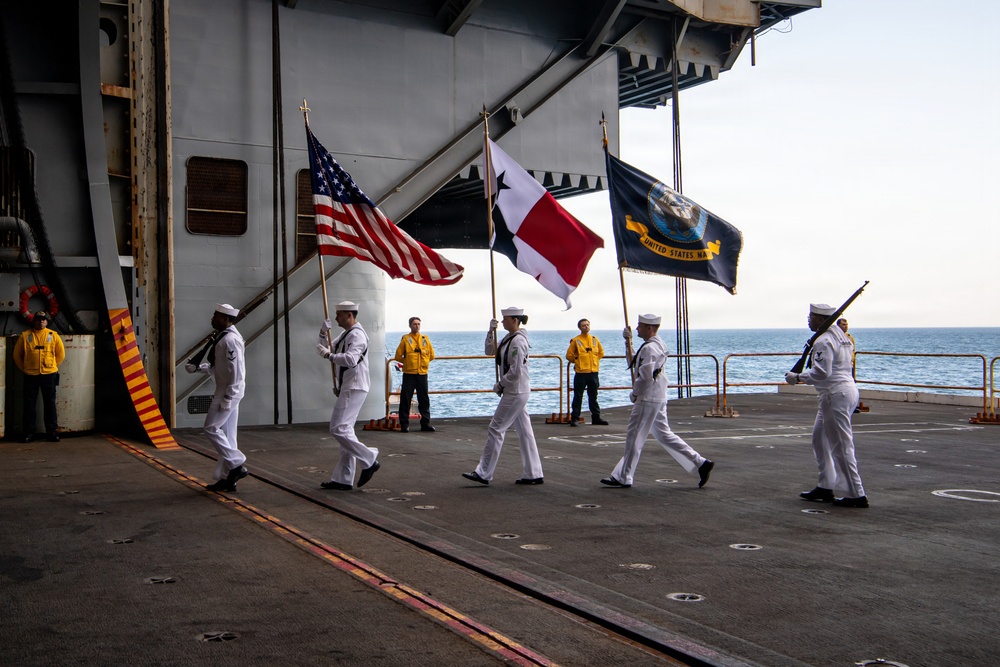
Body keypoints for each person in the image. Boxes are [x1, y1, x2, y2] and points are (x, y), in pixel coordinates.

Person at [602, 313, 714, 489]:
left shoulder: (649, 348)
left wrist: (635, 393)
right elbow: (635, 362)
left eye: (639, 325)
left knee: (634, 437)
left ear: (649, 328)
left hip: (647, 397)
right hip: (658, 396)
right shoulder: (656, 344)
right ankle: (700, 462)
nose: (636, 328)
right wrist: (628, 343)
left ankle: (624, 477)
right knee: (664, 435)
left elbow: (645, 377)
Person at [786, 304, 868, 508]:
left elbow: (822, 372)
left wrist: (797, 377)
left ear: (822, 320)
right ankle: (826, 485)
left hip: (834, 394)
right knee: (819, 440)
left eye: (811, 316)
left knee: (841, 445)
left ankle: (855, 494)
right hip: (841, 392)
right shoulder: (841, 336)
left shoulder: (824, 340)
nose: (808, 320)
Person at [462, 307, 543, 486]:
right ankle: (533, 473)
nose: (502, 322)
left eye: (505, 319)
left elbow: (515, 371)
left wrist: (500, 384)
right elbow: (490, 351)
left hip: (515, 391)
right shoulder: (508, 338)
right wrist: (490, 332)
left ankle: (483, 473)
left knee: (496, 428)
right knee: (525, 432)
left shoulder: (518, 341)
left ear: (514, 320)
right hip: (516, 391)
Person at [316, 300, 380, 491]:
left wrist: (328, 356)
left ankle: (369, 458)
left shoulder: (357, 335)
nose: (336, 318)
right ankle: (343, 479)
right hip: (349, 385)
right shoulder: (347, 333)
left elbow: (351, 359)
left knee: (338, 429)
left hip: (355, 386)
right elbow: (328, 348)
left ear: (349, 315)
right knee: (346, 430)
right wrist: (322, 334)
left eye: (339, 314)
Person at [185, 303, 248, 492]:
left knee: (211, 428)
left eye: (216, 316)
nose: (212, 319)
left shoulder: (230, 340)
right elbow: (219, 367)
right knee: (228, 436)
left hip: (228, 391)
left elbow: (237, 372)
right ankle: (227, 478)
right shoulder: (222, 337)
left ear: (226, 319)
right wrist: (198, 368)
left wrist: (229, 397)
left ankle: (236, 464)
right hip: (226, 389)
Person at [13, 310, 65, 442]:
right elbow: (17, 355)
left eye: (43, 320)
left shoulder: (53, 335)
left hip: (49, 375)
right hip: (31, 375)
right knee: (29, 405)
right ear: (34, 321)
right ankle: (29, 432)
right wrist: (25, 368)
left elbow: (61, 354)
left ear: (47, 322)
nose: (41, 322)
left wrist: (52, 366)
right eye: (38, 319)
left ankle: (51, 432)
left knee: (50, 404)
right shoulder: (25, 336)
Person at [393, 316, 436, 433]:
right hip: (409, 374)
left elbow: (431, 355)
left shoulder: (425, 339)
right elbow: (398, 356)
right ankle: (404, 424)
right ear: (410, 326)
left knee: (424, 399)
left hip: (422, 373)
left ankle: (425, 424)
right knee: (405, 399)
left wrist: (423, 363)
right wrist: (407, 362)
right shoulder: (406, 339)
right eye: (414, 324)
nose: (417, 326)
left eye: (418, 324)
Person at [565, 318, 608, 427]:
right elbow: (569, 355)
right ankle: (575, 418)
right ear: (579, 327)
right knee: (578, 396)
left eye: (587, 325)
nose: (586, 327)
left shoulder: (594, 339)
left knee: (593, 396)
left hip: (593, 372)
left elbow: (601, 353)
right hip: (581, 373)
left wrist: (594, 361)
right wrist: (577, 361)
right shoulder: (576, 340)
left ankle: (596, 417)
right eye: (583, 325)